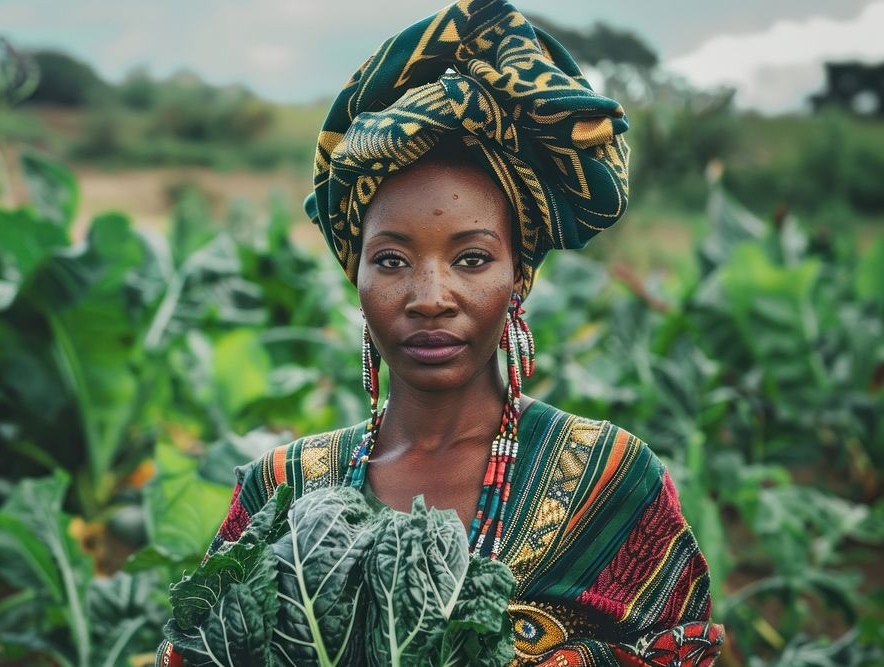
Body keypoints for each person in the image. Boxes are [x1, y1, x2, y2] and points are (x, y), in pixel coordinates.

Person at [157, 0, 725, 665]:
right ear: (357, 275)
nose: (430, 297)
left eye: (473, 259)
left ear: (518, 277)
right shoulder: (281, 488)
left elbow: (678, 648)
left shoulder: (610, 479)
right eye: (392, 260)